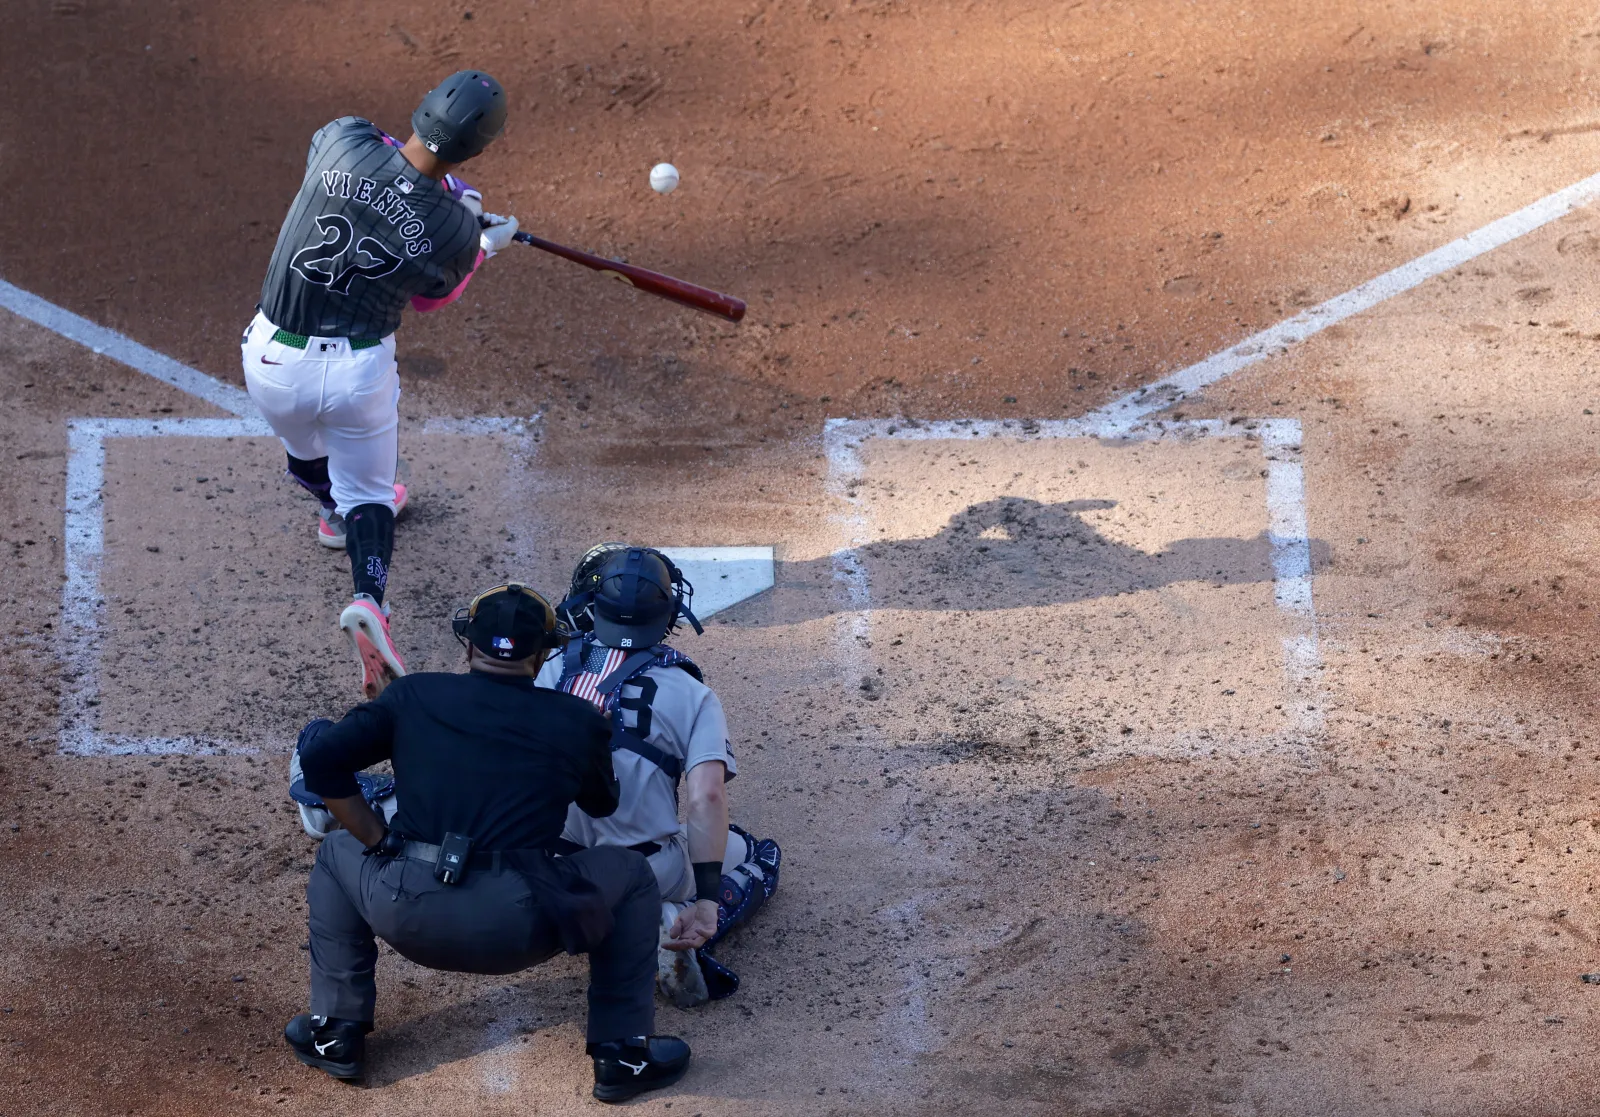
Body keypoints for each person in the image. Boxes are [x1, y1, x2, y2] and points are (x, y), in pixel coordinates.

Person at [283, 582, 692, 1103]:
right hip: (522, 926)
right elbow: (602, 806)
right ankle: (622, 1054)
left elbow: (321, 762)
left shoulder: (412, 695)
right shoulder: (576, 719)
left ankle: (334, 1032)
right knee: (632, 876)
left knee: (337, 854)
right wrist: (585, 737)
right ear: (543, 653)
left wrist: (376, 837)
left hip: (405, 911)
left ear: (469, 646)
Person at [241, 69, 522, 698]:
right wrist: (480, 243)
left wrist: (456, 203)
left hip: (270, 360)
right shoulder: (451, 229)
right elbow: (429, 302)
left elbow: (386, 169)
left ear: (421, 109)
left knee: (306, 451)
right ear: (477, 149)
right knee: (371, 492)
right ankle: (369, 597)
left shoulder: (344, 139)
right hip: (355, 372)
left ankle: (328, 514)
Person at [541, 544, 781, 1006]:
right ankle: (677, 922)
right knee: (759, 852)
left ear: (591, 607)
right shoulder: (692, 694)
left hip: (550, 862)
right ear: (669, 612)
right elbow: (705, 798)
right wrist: (708, 900)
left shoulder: (546, 669)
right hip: (641, 869)